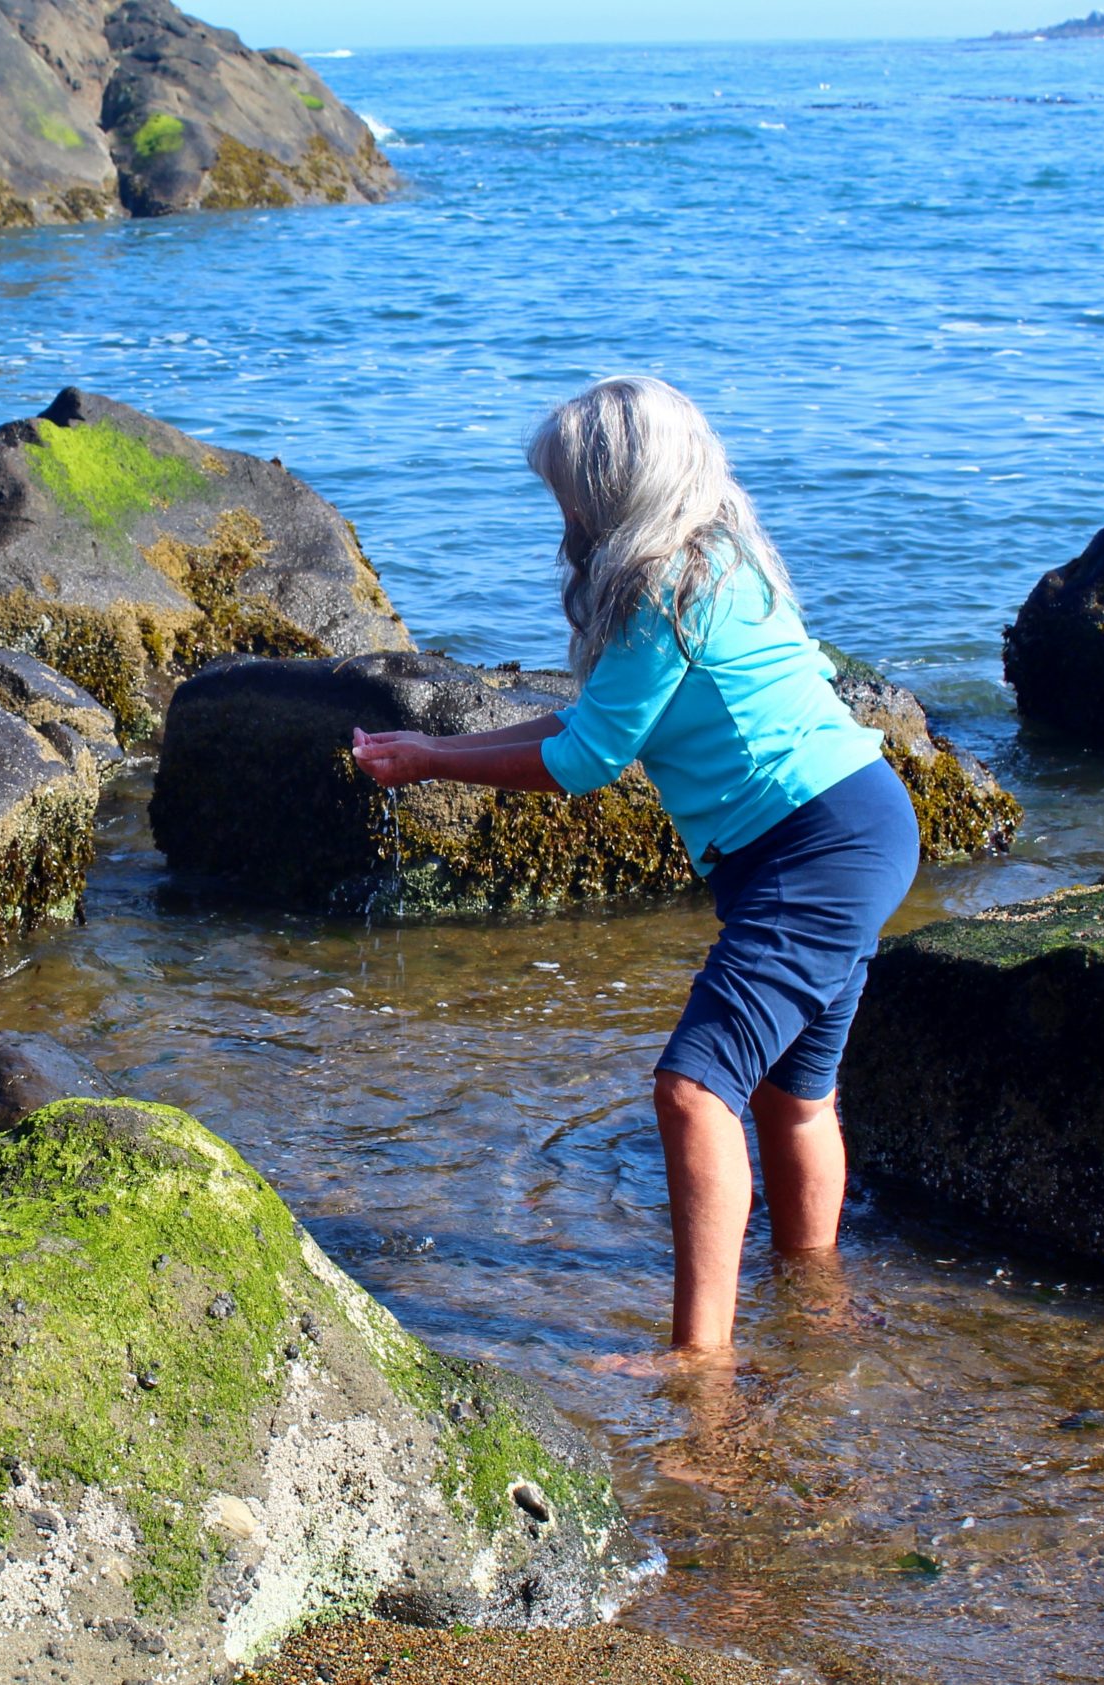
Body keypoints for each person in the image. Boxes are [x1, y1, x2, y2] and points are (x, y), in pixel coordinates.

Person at [349, 375, 919, 1355]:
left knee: (694, 1088)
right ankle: (813, 1308)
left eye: (568, 492)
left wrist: (438, 756)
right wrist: (430, 749)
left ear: (614, 489)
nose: (561, 515)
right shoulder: (724, 554)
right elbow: (594, 725)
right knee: (796, 1093)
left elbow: (582, 761)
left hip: (810, 842)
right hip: (855, 821)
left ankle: (701, 1364)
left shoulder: (666, 586)